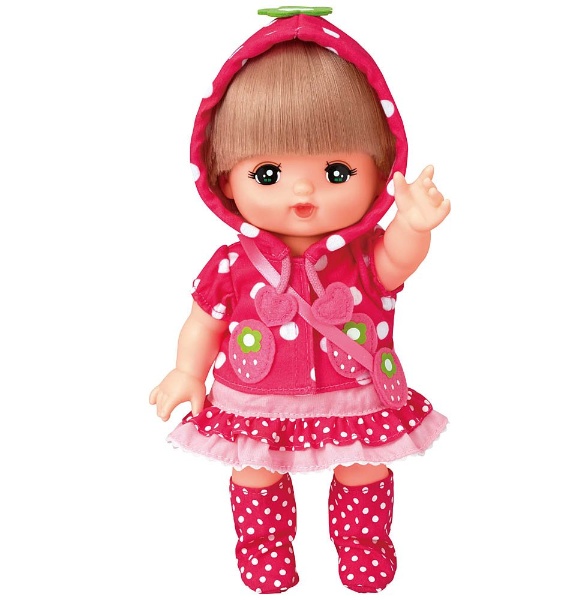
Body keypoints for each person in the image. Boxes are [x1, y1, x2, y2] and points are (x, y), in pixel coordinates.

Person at [150, 8, 450, 595]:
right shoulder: (233, 263)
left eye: (337, 170)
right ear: (224, 178)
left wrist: (413, 227)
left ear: (381, 173)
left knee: (365, 466)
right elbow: (203, 322)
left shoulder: (362, 254)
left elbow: (396, 262)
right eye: (268, 173)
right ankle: (265, 556)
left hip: (353, 394)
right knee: (254, 474)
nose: (304, 189)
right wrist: (187, 371)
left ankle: (364, 551)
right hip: (255, 401)